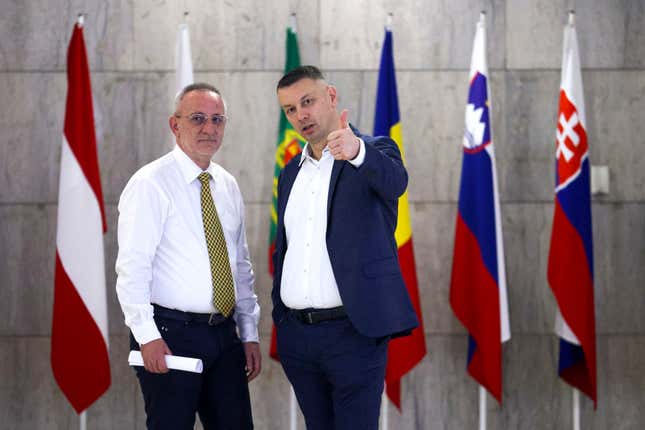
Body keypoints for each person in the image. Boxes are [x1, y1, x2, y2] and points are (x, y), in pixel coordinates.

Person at [271, 65, 419, 430]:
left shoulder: (374, 150)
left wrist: (355, 151)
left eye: (308, 101)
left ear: (331, 96)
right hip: (298, 338)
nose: (300, 115)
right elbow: (286, 248)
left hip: (353, 333)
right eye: (290, 109)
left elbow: (395, 182)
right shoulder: (291, 172)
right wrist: (281, 320)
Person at [116, 83, 260, 430]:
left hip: (225, 336)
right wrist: (146, 334)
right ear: (174, 124)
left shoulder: (226, 184)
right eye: (197, 118)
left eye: (217, 119)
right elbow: (133, 267)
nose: (209, 128)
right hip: (169, 334)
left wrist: (249, 331)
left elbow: (239, 265)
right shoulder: (150, 183)